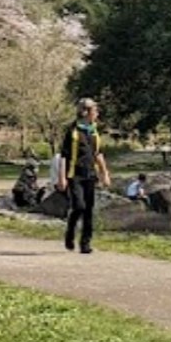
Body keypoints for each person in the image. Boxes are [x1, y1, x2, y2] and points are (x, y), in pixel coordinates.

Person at [57, 97, 110, 254]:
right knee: (79, 206)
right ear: (85, 112)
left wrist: (104, 173)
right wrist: (62, 177)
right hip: (75, 175)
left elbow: (98, 154)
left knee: (88, 210)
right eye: (95, 110)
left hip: (90, 175)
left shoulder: (94, 131)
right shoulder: (72, 132)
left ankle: (85, 243)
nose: (97, 113)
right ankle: (70, 233)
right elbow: (64, 156)